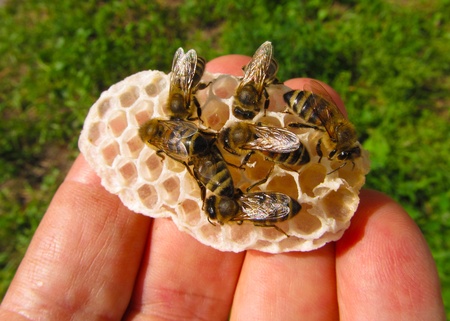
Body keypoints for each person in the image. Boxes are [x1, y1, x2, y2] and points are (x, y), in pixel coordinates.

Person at [0, 55, 445, 321]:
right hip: (256, 154)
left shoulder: (227, 164)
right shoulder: (213, 162)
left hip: (272, 149)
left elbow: (215, 165)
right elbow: (212, 166)